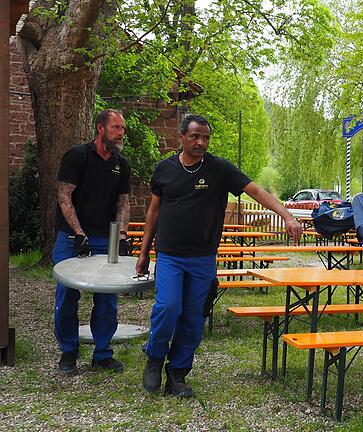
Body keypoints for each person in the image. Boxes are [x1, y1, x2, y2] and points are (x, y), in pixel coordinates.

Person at [136, 114, 302, 397]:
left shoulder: (219, 169)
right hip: (170, 255)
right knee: (168, 308)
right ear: (182, 138)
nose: (201, 142)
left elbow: (257, 191)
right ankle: (154, 359)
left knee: (194, 317)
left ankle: (177, 374)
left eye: (205, 138)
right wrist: (143, 253)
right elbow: (153, 211)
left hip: (202, 257)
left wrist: (286, 215)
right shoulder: (164, 169)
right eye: (195, 136)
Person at [53, 108, 131, 375]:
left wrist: (121, 236)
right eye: (116, 128)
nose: (121, 133)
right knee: (67, 296)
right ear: (101, 128)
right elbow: (65, 196)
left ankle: (102, 353)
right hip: (72, 237)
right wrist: (79, 233)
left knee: (107, 300)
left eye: (122, 128)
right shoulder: (77, 156)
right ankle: (68, 352)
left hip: (104, 239)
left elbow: (123, 202)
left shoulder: (121, 163)